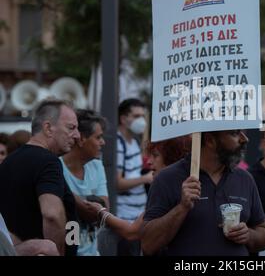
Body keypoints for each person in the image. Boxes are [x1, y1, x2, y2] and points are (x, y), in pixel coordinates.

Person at [141, 130, 265, 256]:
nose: (244, 139)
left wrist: (249, 235)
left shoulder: (244, 178)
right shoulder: (167, 179)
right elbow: (148, 245)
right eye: (234, 133)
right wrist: (182, 207)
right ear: (210, 140)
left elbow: (263, 233)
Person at [0, 99, 80, 256]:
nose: (77, 135)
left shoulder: (9, 161)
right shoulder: (48, 161)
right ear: (48, 128)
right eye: (71, 128)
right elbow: (52, 214)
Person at [86, 136, 192, 249]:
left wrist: (101, 212)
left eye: (155, 156)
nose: (149, 162)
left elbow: (132, 231)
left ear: (171, 158)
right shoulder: (181, 186)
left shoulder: (169, 189)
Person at [60, 109, 109, 256]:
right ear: (81, 139)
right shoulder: (55, 167)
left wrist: (72, 202)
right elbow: (96, 211)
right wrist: (92, 204)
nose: (103, 142)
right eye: (98, 137)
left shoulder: (97, 166)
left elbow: (104, 212)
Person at [116, 98, 153, 255]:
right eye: (136, 116)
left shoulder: (134, 141)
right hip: (126, 219)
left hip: (138, 217)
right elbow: (117, 183)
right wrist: (146, 179)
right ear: (124, 119)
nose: (141, 121)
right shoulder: (118, 144)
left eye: (143, 116)